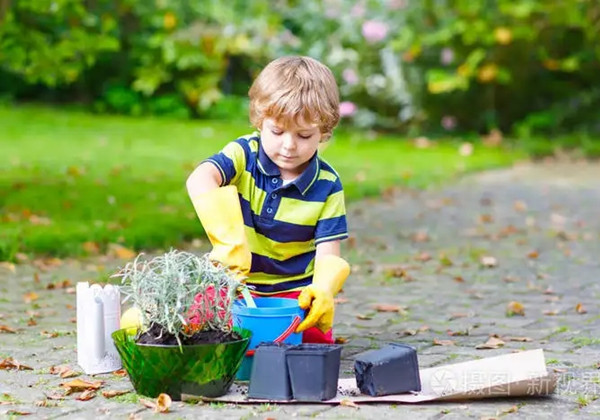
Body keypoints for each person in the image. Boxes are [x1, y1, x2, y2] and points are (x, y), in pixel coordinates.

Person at [186, 56, 350, 344]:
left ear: (323, 132)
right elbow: (200, 179)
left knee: (313, 341)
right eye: (277, 131)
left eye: (304, 135)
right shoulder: (243, 154)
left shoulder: (327, 185)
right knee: (194, 328)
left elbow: (329, 254)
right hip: (234, 283)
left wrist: (323, 290)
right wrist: (228, 242)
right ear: (260, 121)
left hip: (293, 294)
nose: (288, 145)